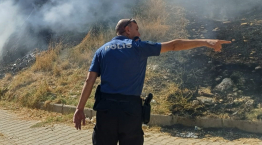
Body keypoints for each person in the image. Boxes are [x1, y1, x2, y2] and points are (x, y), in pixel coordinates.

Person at [73, 18, 231, 145]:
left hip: (105, 109)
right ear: (127, 29)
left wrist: (79, 109)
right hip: (130, 110)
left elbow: (89, 81)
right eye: (136, 28)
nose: (139, 33)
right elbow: (174, 45)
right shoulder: (138, 46)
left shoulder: (101, 50)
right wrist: (205, 42)